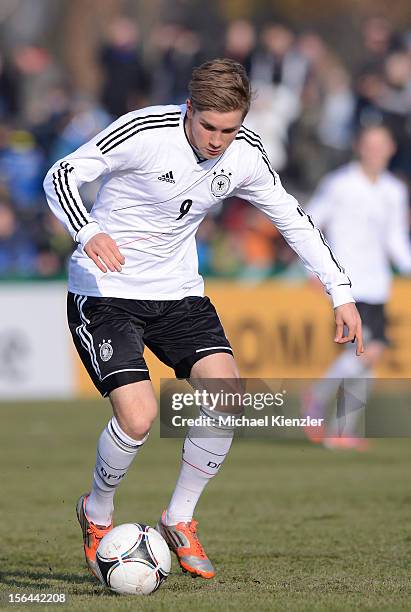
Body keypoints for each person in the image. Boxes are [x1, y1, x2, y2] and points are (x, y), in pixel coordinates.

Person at [43, 58, 362, 581]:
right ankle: (97, 513)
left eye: (229, 129)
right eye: (208, 127)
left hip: (178, 295)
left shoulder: (246, 154)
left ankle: (180, 517)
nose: (217, 141)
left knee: (229, 394)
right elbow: (63, 174)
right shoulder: (145, 132)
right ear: (189, 110)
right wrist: (87, 231)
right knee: (140, 417)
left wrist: (340, 292)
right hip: (105, 290)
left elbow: (292, 218)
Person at [303, 124, 411, 449]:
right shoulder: (339, 185)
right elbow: (308, 221)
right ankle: (315, 397)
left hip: (378, 283)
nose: (376, 151)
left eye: (382, 145)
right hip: (346, 283)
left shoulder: (394, 190)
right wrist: (311, 268)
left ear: (391, 149)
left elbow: (395, 240)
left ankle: (342, 431)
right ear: (358, 147)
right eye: (370, 145)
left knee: (366, 358)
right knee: (371, 350)